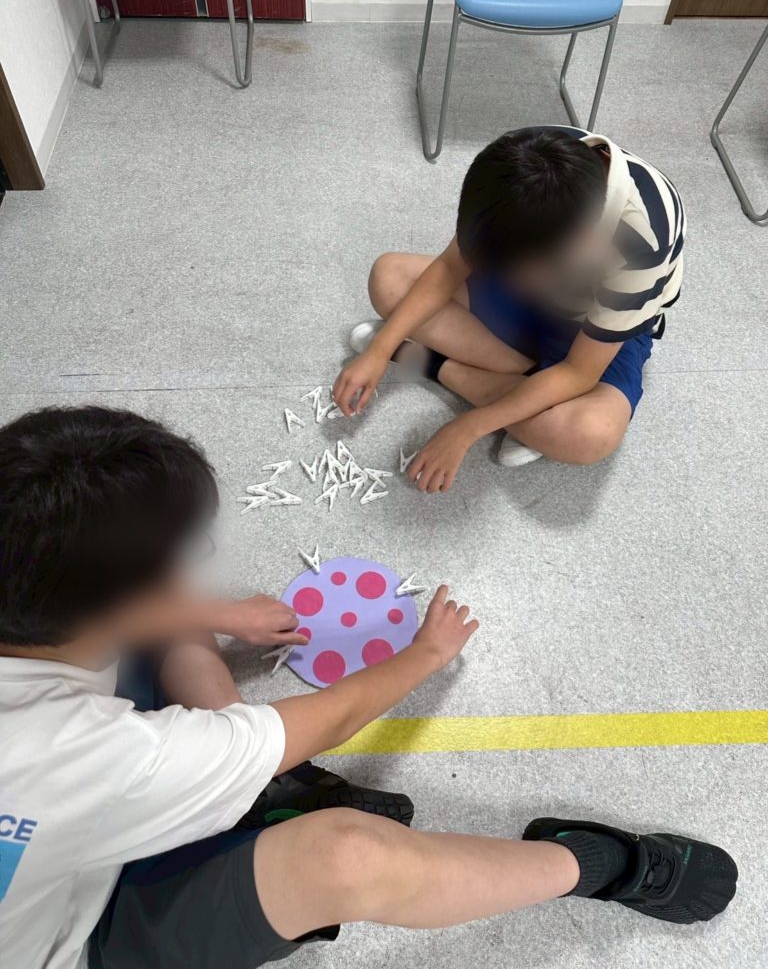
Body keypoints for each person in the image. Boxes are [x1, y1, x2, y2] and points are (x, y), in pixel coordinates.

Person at [0, 407, 735, 969]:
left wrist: (215, 615)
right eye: (176, 566)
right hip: (80, 936)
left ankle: (252, 792)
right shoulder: (86, 758)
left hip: (60, 826)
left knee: (172, 630)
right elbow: (331, 715)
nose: (190, 571)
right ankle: (606, 864)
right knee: (348, 858)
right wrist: (426, 654)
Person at [333, 126, 685, 491]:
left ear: (572, 246)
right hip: (537, 299)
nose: (503, 278)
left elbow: (579, 371)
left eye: (515, 271)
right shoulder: (523, 162)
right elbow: (453, 265)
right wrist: (379, 350)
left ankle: (431, 362)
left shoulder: (642, 242)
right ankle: (531, 397)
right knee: (389, 278)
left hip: (599, 334)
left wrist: (466, 428)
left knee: (590, 435)